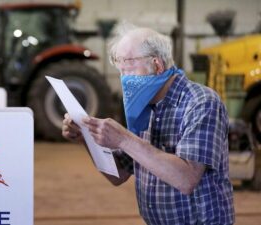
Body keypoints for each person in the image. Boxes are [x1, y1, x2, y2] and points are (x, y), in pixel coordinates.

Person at [62, 22, 235, 225]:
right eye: (119, 64)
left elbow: (187, 179)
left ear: (157, 65)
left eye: (129, 62)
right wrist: (86, 136)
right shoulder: (143, 107)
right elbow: (118, 174)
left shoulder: (201, 103)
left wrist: (124, 139)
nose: (123, 73)